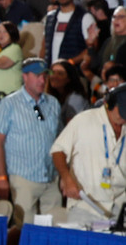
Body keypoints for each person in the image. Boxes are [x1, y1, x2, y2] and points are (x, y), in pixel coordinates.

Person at [0, 58, 62, 223]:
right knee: (25, 229)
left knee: (53, 228)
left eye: (45, 75)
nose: (42, 80)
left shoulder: (53, 103)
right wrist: (1, 177)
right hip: (23, 178)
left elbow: (59, 141)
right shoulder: (9, 104)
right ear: (25, 76)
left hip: (51, 178)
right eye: (37, 75)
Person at [51, 84, 126, 223]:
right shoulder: (83, 120)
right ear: (108, 105)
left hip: (120, 208)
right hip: (85, 206)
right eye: (121, 113)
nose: (123, 119)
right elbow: (58, 150)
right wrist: (66, 178)